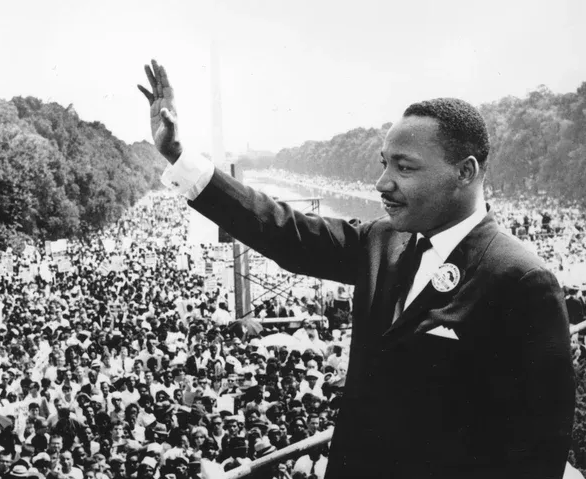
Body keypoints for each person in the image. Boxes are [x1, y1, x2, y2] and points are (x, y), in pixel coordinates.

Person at [138, 59, 575, 478]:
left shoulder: (521, 280)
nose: (382, 183)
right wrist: (179, 156)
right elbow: (281, 231)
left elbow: (536, 454)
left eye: (404, 167)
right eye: (383, 163)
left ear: (465, 172)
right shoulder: (382, 239)